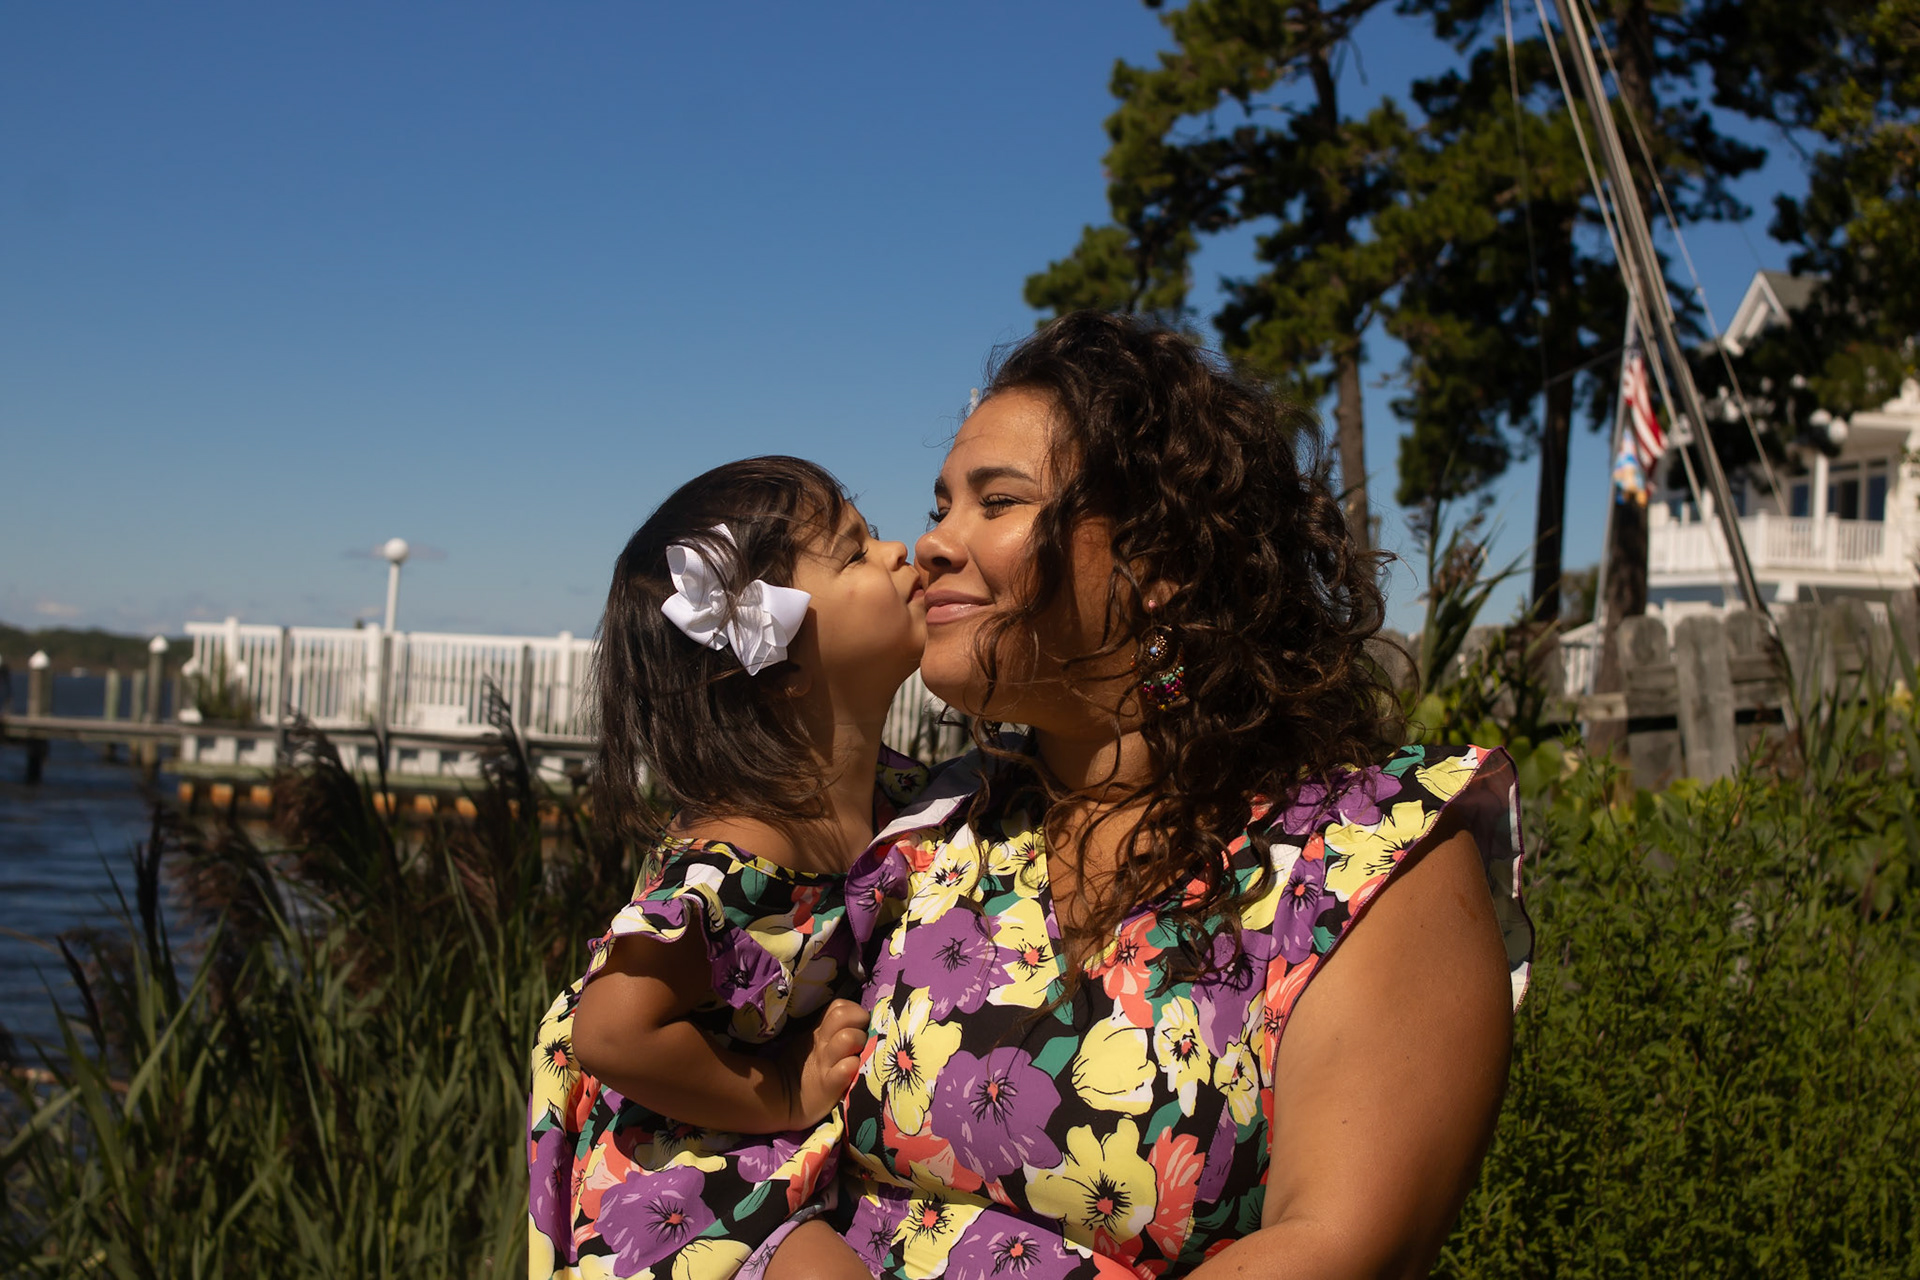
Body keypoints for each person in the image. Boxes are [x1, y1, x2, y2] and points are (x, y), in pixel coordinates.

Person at [831, 313, 1533, 1278]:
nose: (931, 544)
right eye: (941, 504)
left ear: (1158, 560)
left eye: (996, 502)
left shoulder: (1363, 861)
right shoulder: (920, 828)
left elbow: (1336, 1247)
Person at [527, 456, 929, 1280]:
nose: (899, 552)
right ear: (779, 668)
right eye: (855, 551)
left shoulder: (892, 796)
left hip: (780, 1162)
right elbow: (612, 1032)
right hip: (684, 1180)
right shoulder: (739, 855)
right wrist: (779, 1091)